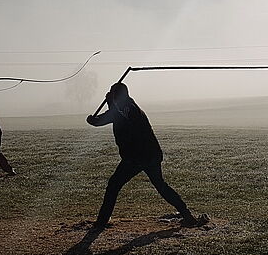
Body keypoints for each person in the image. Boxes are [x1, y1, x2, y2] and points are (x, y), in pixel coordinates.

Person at [86, 83, 207, 229]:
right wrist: (93, 120)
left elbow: (118, 115)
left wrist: (110, 103)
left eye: (112, 92)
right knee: (160, 186)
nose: (109, 94)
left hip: (138, 157)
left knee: (114, 185)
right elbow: (106, 118)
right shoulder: (124, 107)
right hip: (147, 155)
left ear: (118, 95)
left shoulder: (129, 108)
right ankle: (187, 215)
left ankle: (101, 222)